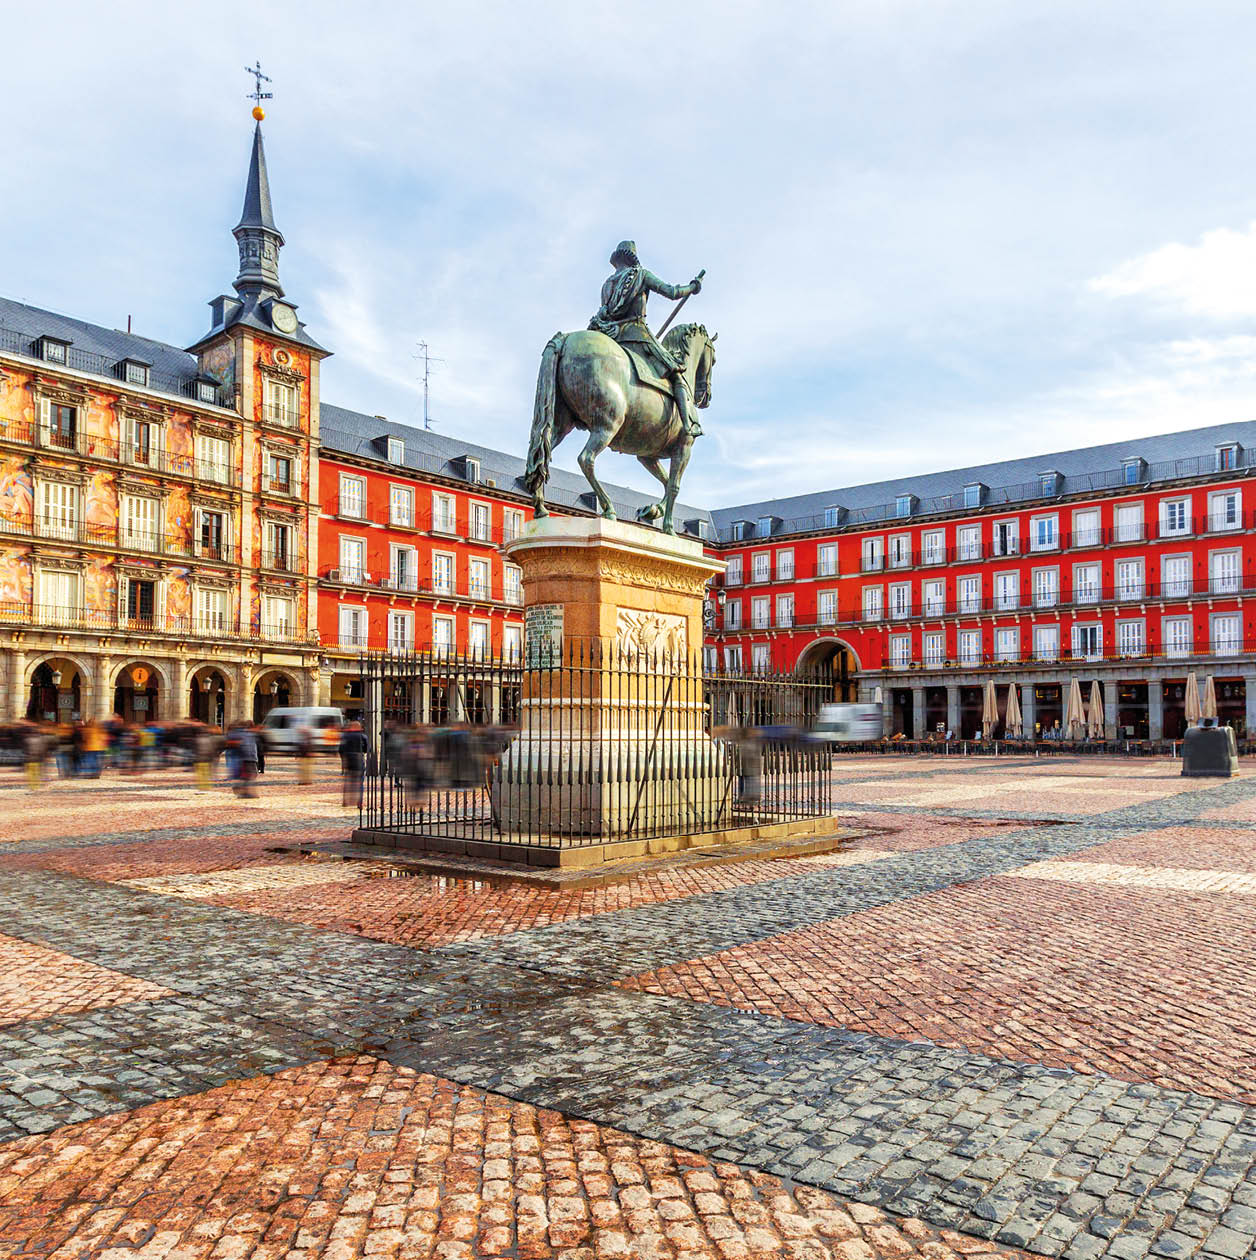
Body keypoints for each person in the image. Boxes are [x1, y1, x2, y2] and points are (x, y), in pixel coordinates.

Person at [589, 241, 705, 437]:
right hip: (636, 333)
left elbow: (607, 313)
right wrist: (692, 287)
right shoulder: (641, 274)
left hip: (611, 337)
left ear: (617, 260)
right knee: (676, 371)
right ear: (632, 258)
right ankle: (689, 424)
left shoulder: (606, 285)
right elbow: (672, 292)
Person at [339, 720, 367, 809]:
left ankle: (345, 801)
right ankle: (359, 802)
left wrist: (343, 759)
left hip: (348, 760)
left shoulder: (345, 736)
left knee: (347, 782)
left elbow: (340, 749)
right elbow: (366, 749)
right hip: (359, 760)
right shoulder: (363, 736)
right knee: (360, 782)